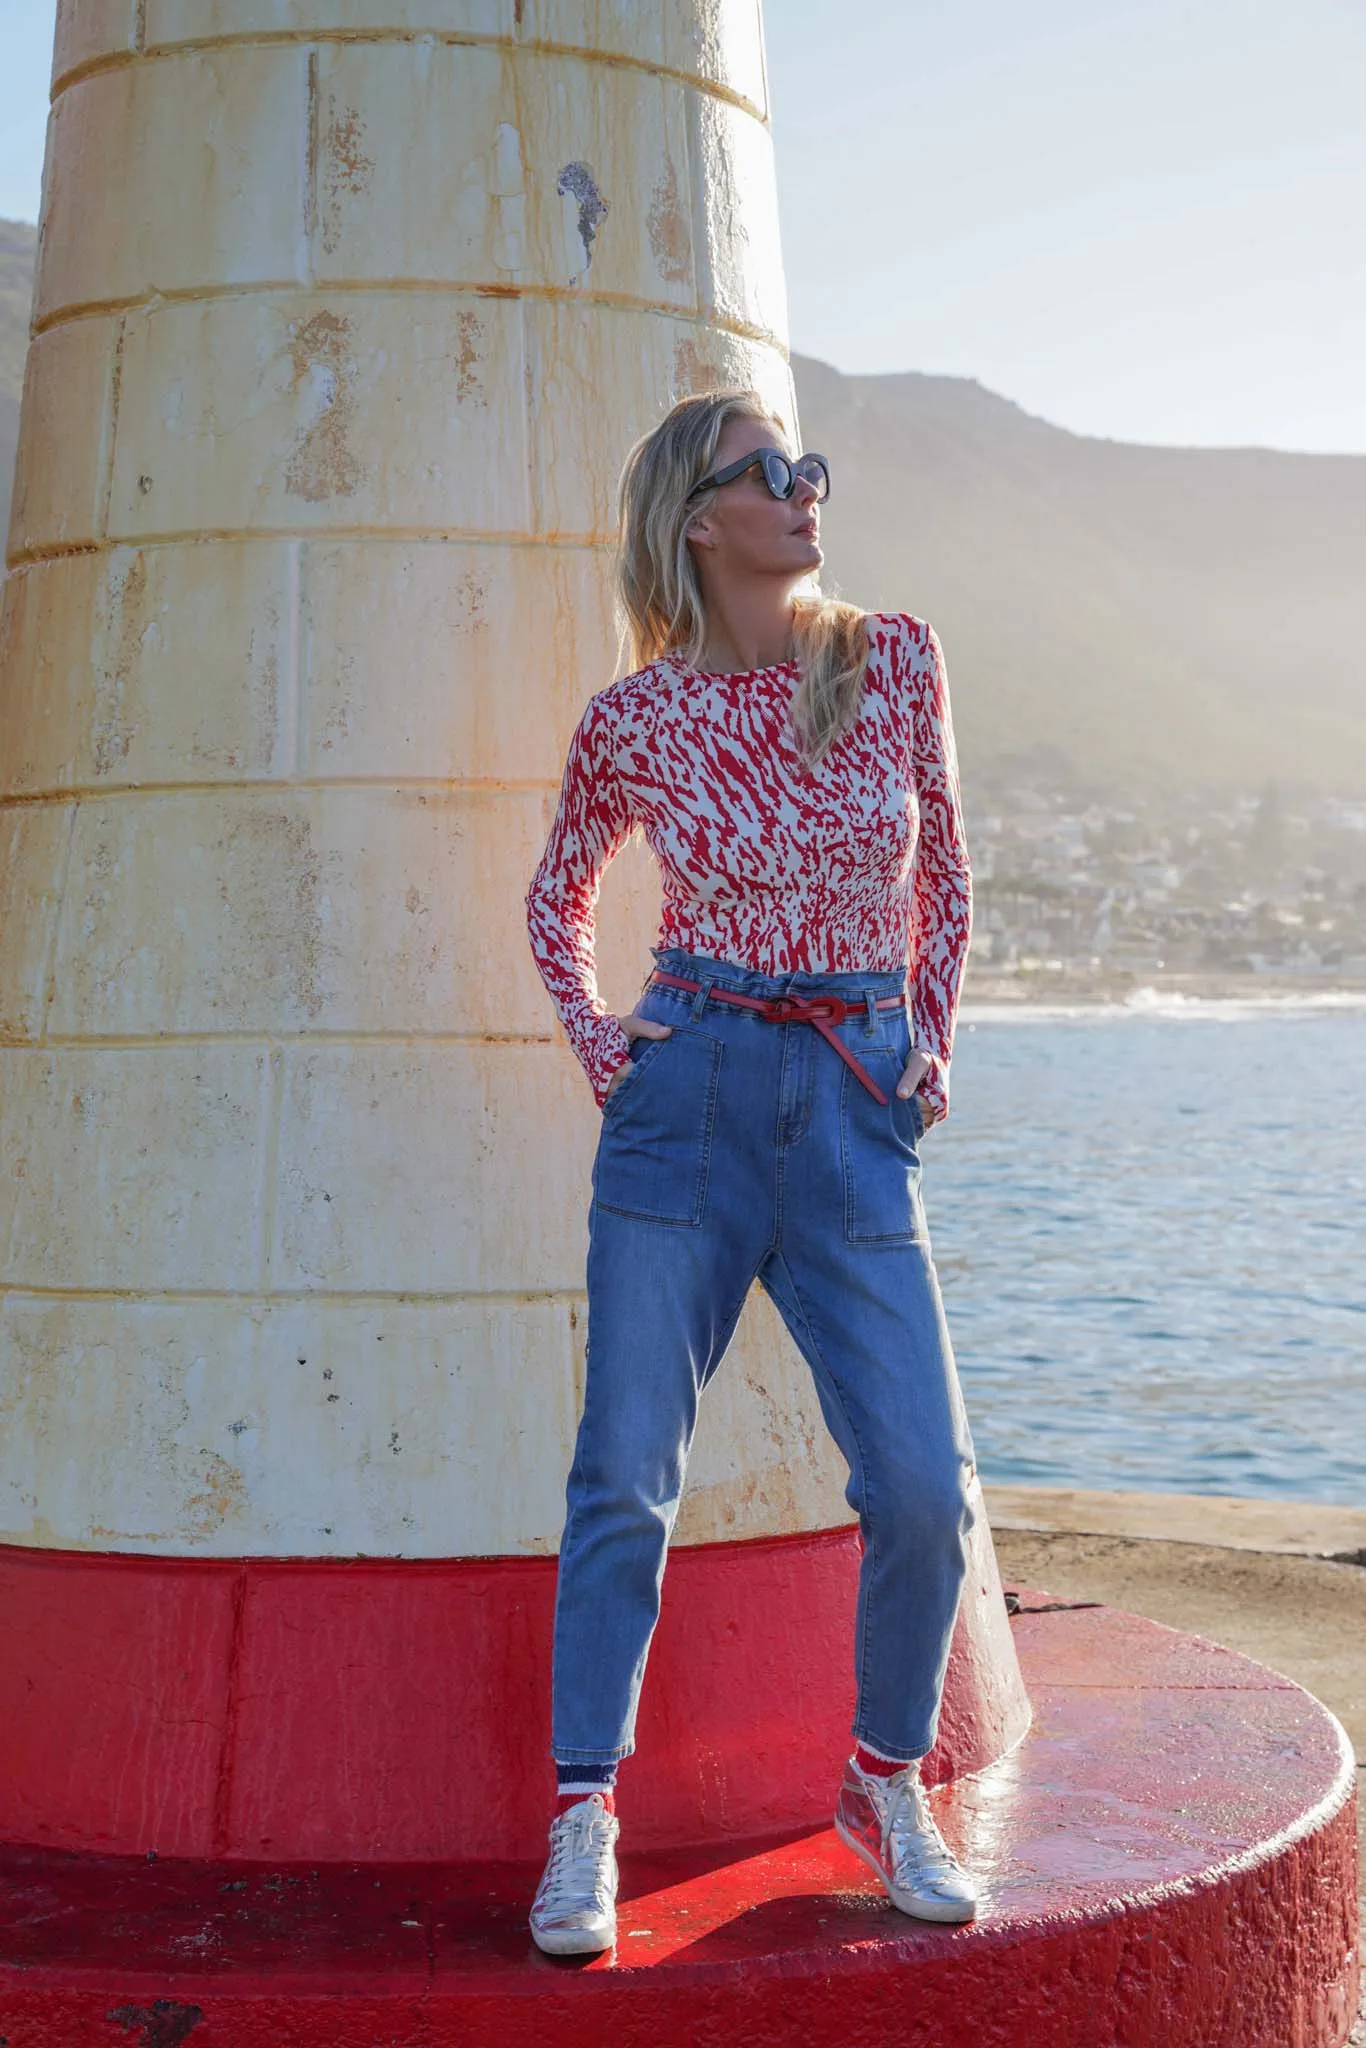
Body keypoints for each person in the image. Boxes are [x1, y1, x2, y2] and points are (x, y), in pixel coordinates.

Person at [522, 387, 979, 1956]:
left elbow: (949, 876)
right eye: (768, 474)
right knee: (624, 1478)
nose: (804, 491)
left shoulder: (891, 658)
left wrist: (924, 1046)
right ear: (696, 519)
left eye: (807, 468)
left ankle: (881, 1778)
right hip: (689, 1095)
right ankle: (583, 1813)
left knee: (923, 1490)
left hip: (854, 1099)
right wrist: (605, 1049)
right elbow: (553, 902)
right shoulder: (631, 721)